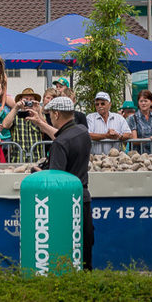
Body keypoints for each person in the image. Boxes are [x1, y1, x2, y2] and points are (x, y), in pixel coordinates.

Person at [34, 96, 94, 271]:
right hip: (83, 197)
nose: (50, 118)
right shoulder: (83, 131)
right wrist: (39, 122)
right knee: (84, 246)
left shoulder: (60, 144)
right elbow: (64, 135)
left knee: (65, 246)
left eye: (50, 114)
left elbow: (56, 180)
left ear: (57, 114)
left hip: (66, 204)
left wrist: (39, 172)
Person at [3, 88, 45, 163]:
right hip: (18, 159)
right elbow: (5, 125)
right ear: (20, 101)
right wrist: (16, 107)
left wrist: (38, 111)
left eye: (31, 100)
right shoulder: (15, 115)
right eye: (26, 99)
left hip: (36, 160)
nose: (28, 102)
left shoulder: (38, 115)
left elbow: (45, 129)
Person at [126, 89, 152, 155]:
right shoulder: (133, 118)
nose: (143, 103)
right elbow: (134, 140)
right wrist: (149, 139)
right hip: (140, 157)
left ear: (151, 102)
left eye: (145, 101)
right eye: (141, 101)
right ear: (138, 102)